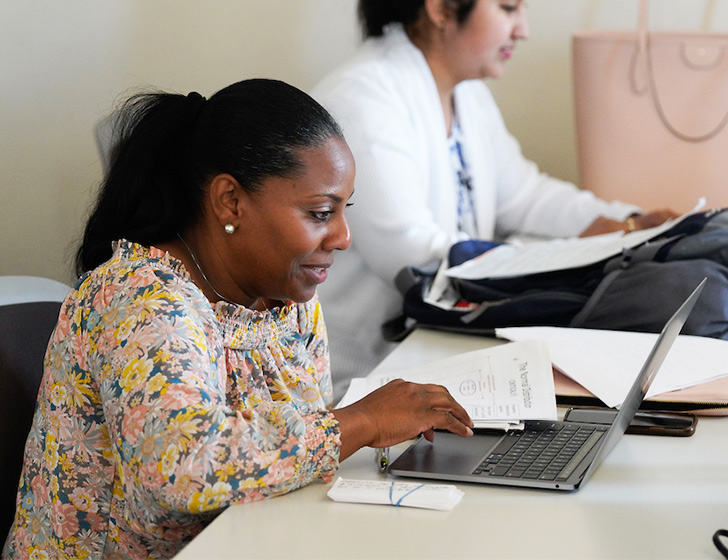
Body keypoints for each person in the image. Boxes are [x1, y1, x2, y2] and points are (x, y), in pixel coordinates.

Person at [2, 79, 473, 560]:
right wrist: (362, 421)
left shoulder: (289, 299)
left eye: (342, 211)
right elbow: (182, 468)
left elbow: (290, 453)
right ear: (230, 200)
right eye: (319, 212)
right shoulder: (141, 299)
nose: (343, 237)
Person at [310, 0, 677, 398]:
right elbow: (416, 259)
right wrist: (578, 257)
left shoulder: (467, 95)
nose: (523, 30)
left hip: (434, 357)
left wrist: (631, 222)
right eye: (507, 8)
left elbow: (524, 196)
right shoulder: (362, 100)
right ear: (441, 9)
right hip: (362, 384)